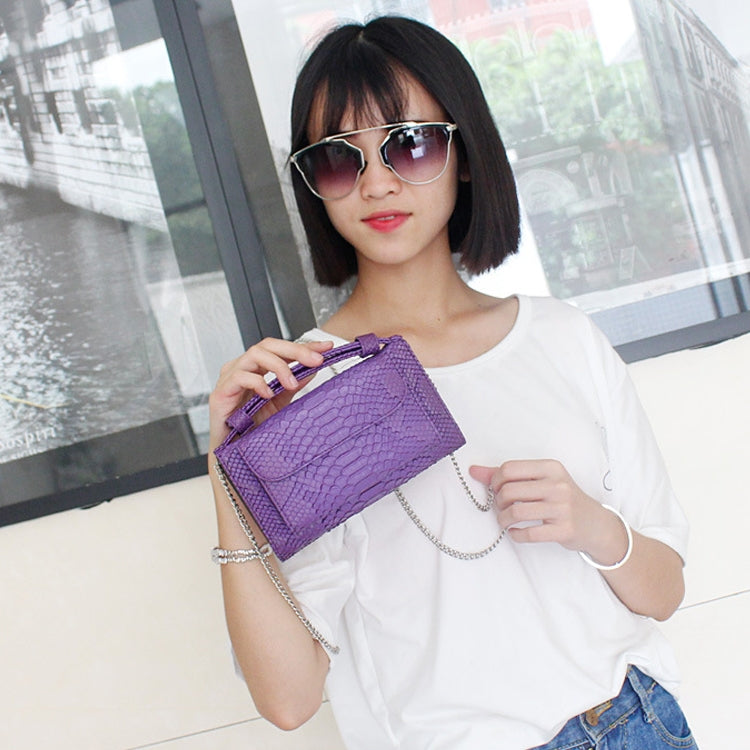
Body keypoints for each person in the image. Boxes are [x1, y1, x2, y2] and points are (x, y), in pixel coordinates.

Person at [208, 15, 697, 750]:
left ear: (464, 153)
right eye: (339, 159)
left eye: (410, 143)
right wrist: (229, 470)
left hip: (638, 723)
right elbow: (288, 699)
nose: (377, 183)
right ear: (315, 187)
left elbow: (664, 592)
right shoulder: (303, 392)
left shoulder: (561, 337)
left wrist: (591, 524)